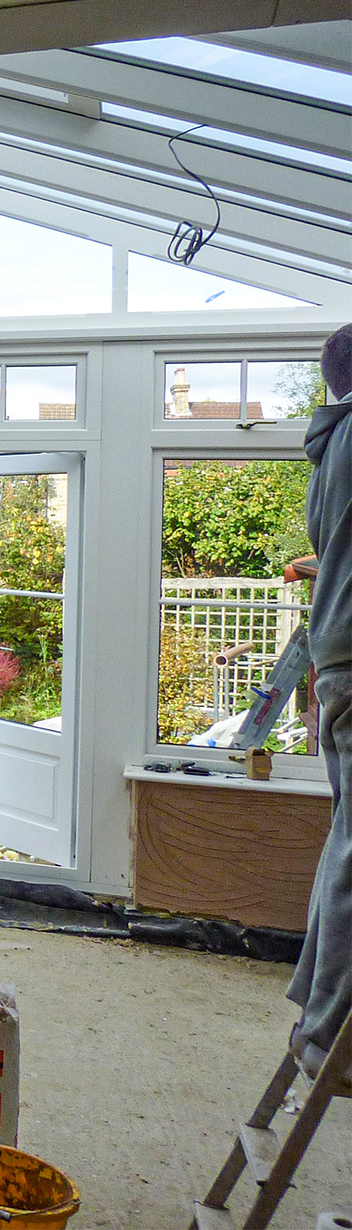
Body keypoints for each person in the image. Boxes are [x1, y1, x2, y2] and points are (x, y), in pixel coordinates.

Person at [292, 324, 352, 1079]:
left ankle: (317, 1004)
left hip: (339, 654)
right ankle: (330, 1032)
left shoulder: (331, 444)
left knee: (346, 838)